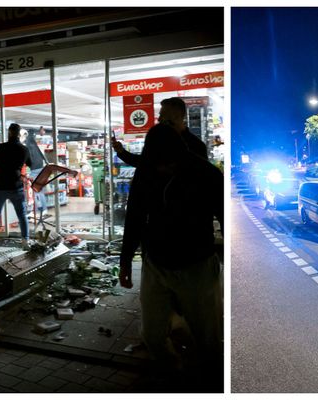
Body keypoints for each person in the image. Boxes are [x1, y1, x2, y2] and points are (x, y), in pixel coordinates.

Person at [119, 123, 223, 387]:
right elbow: (134, 218)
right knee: (152, 334)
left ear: (180, 155)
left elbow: (225, 219)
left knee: (207, 337)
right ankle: (172, 373)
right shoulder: (147, 171)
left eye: (167, 164)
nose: (162, 169)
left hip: (196, 266)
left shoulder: (206, 174)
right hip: (155, 264)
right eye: (157, 164)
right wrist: (125, 262)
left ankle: (208, 382)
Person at [111, 97, 208, 167]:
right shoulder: (160, 140)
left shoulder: (196, 146)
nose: (159, 119)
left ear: (176, 116)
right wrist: (122, 152)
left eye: (163, 115)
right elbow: (144, 162)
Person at [0, 123, 32, 250]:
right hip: (16, 186)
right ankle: (25, 241)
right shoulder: (24, 149)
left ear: (9, 133)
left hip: (0, 185)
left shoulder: (1, 147)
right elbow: (30, 163)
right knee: (22, 215)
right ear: (19, 134)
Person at [23, 128, 49, 217]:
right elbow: (41, 155)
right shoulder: (34, 144)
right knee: (39, 191)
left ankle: (38, 210)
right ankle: (42, 209)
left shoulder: (28, 146)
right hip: (41, 169)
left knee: (35, 192)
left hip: (35, 171)